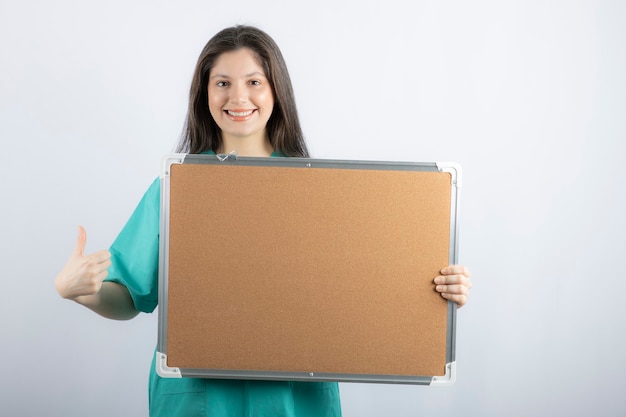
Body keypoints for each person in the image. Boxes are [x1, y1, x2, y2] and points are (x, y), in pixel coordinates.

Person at [54, 25, 472, 417]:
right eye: (222, 83)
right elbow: (129, 296)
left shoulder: (330, 193)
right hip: (201, 401)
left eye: (254, 81)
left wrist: (434, 293)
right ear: (204, 94)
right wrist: (78, 291)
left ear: (277, 91)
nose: (238, 97)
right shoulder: (174, 188)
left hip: (296, 400)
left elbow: (370, 286)